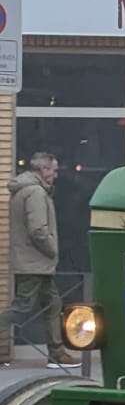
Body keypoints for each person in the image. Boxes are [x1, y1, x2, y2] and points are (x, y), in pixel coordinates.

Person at [6, 153, 69, 366]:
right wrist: (53, 250)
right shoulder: (35, 192)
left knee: (52, 304)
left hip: (34, 263)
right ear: (42, 170)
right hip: (34, 262)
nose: (56, 175)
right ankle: (57, 353)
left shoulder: (25, 190)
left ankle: (57, 353)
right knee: (22, 308)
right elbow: (38, 230)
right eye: (54, 170)